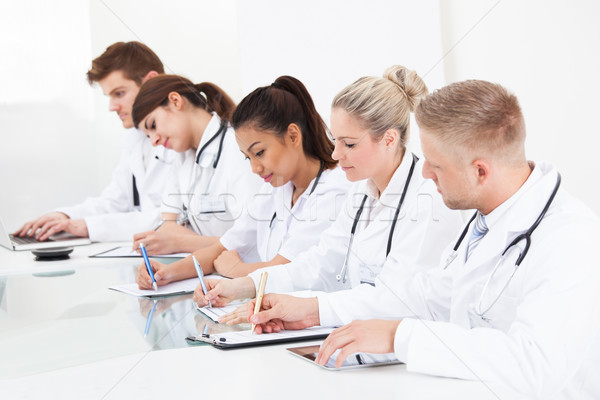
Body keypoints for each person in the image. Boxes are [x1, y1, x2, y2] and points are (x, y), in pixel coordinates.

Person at [247, 80, 600, 399]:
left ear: (480, 170)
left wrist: (399, 336)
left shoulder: (570, 239)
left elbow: (534, 366)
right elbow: (427, 297)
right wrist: (313, 311)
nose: (424, 172)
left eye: (436, 164)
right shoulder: (486, 220)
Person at [196, 66, 463, 323]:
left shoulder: (428, 202)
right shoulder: (362, 190)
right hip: (359, 335)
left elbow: (396, 300)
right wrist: (245, 286)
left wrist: (311, 309)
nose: (336, 154)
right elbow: (322, 261)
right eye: (336, 141)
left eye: (349, 144)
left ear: (389, 140)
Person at [136, 75, 350, 287]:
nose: (255, 168)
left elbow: (284, 269)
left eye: (259, 152)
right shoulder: (277, 188)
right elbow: (222, 247)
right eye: (248, 157)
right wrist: (167, 273)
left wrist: (237, 270)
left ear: (293, 136)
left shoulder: (333, 189)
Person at [14, 41, 175, 242]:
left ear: (151, 81)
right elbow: (114, 202)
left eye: (119, 93)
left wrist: (87, 226)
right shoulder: (136, 140)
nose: (112, 106)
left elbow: (172, 221)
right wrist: (65, 217)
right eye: (109, 96)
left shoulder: (182, 142)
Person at [130, 74, 262, 255]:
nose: (154, 141)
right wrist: (184, 240)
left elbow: (253, 241)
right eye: (148, 136)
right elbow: (166, 225)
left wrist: (181, 242)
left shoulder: (237, 147)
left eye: (153, 125)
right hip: (210, 268)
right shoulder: (182, 157)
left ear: (176, 101)